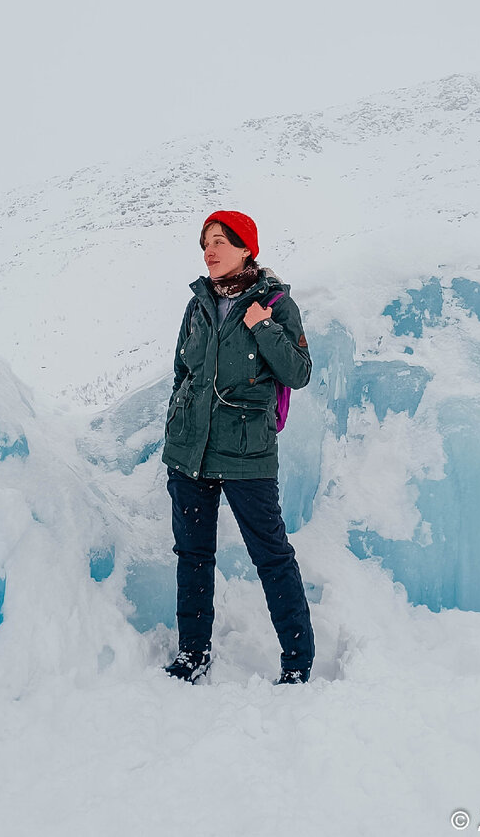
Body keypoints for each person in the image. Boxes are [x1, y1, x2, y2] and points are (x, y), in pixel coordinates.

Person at [161, 210, 315, 685]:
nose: (210, 250)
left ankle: (296, 661)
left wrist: (263, 327)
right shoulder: (199, 304)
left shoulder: (275, 303)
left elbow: (299, 373)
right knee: (193, 554)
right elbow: (182, 372)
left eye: (222, 241)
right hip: (191, 452)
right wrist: (176, 421)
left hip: (247, 454)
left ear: (247, 248)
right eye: (206, 241)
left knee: (271, 556)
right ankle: (193, 652)